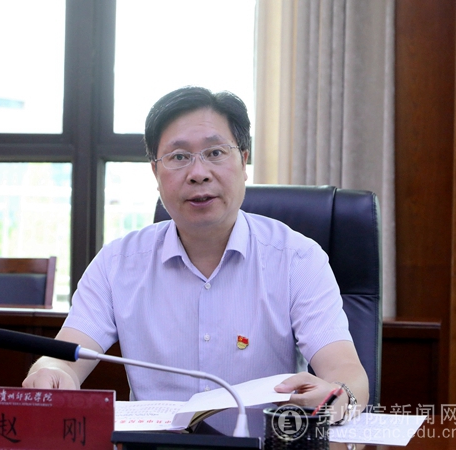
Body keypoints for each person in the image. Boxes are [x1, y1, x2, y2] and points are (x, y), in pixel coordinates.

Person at [23, 86, 369, 424]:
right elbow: (64, 357)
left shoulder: (297, 259)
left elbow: (347, 375)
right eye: (178, 157)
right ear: (155, 172)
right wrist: (51, 371)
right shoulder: (117, 264)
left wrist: (338, 398)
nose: (198, 173)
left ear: (244, 161)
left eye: (215, 152)